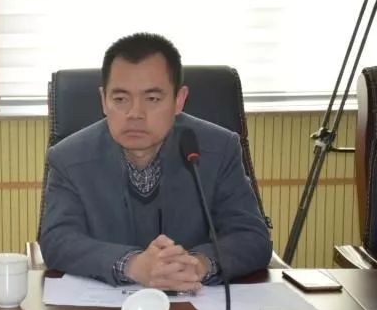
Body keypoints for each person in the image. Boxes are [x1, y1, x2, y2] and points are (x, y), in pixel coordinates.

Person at [39, 32, 272, 291]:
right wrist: (132, 265)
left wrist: (198, 264)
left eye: (152, 99)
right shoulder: (68, 158)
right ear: (104, 100)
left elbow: (252, 237)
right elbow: (57, 240)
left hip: (196, 306)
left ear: (179, 100)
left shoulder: (219, 149)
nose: (135, 113)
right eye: (120, 99)